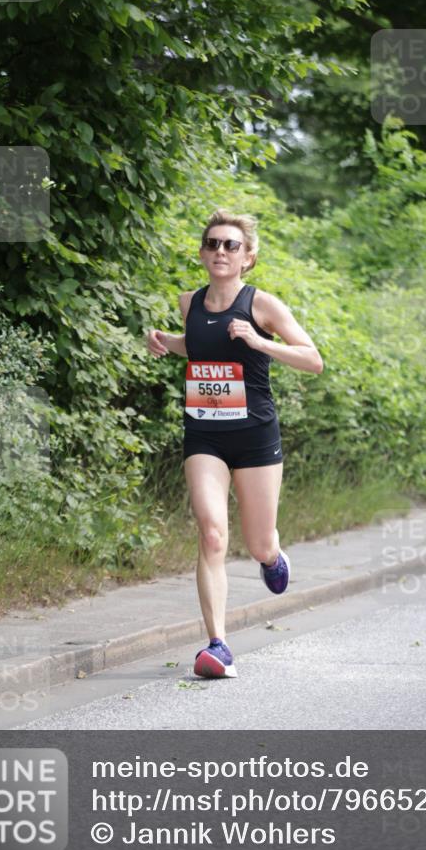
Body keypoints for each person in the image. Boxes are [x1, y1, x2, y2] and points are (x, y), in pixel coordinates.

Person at [146, 209, 323, 679]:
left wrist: (260, 342)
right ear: (202, 253)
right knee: (211, 532)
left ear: (248, 258)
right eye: (212, 244)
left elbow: (313, 360)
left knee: (258, 542)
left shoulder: (262, 305)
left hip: (254, 436)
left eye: (230, 245)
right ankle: (217, 645)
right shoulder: (190, 302)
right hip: (204, 434)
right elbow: (199, 345)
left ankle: (272, 556)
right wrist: (166, 340)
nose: (220, 251)